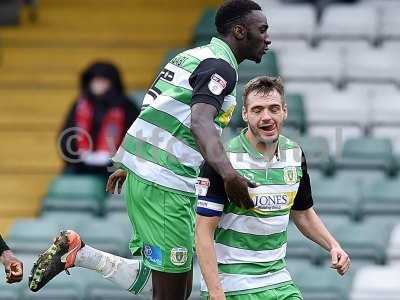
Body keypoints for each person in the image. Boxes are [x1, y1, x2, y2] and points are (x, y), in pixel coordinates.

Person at [29, 1, 271, 299]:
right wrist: (229, 174)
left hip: (148, 179)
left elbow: (154, 108)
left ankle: (80, 254)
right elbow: (199, 121)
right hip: (167, 186)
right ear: (239, 31)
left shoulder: (189, 57)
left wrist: (130, 162)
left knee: (171, 282)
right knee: (170, 292)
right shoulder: (220, 67)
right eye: (262, 30)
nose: (267, 38)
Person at [195, 76, 350, 300]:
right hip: (234, 285)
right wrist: (216, 292)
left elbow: (303, 214)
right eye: (257, 110)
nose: (266, 117)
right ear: (245, 114)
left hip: (278, 280)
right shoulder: (222, 161)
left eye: (273, 108)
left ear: (284, 111)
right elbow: (202, 231)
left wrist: (333, 246)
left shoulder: (294, 154)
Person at [58, 61, 140, 179]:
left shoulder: (126, 106)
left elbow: (136, 139)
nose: (98, 85)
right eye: (95, 81)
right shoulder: (79, 105)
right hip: (80, 165)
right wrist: (76, 159)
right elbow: (66, 136)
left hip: (115, 166)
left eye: (103, 81)